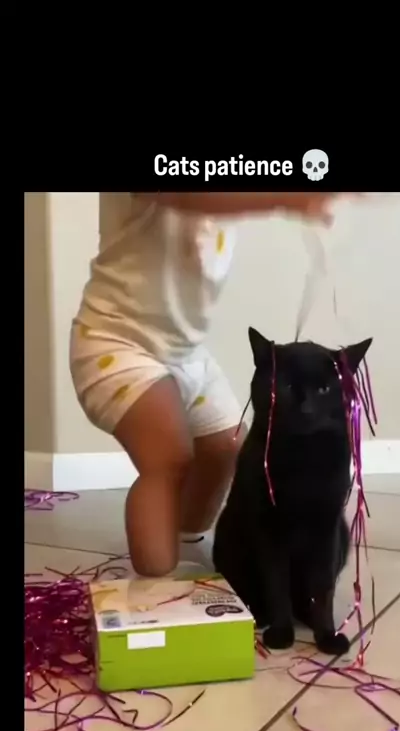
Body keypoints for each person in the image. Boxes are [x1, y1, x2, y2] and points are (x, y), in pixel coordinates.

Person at [69, 192, 342, 577]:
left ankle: (186, 538)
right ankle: (153, 581)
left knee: (226, 445)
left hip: (186, 354)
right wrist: (281, 197)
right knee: (168, 458)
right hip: (115, 346)